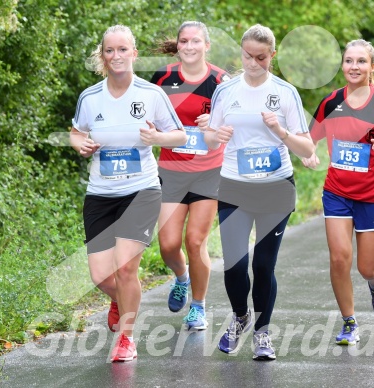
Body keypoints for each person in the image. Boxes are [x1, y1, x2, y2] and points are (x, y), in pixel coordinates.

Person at [69, 25, 186, 362]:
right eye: (110, 50)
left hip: (141, 191)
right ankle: (120, 300)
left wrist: (156, 139)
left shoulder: (150, 94)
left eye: (123, 50)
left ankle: (127, 339)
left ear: (134, 53)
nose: (116, 56)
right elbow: (76, 132)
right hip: (100, 194)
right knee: (100, 275)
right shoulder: (91, 97)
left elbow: (178, 136)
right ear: (102, 56)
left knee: (125, 270)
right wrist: (82, 145)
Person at [205, 24, 314, 361]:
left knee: (264, 266)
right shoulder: (225, 91)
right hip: (235, 185)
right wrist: (213, 134)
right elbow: (210, 140)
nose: (253, 63)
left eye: (261, 58)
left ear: (272, 56)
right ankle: (241, 317)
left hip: (275, 188)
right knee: (235, 266)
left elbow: (306, 145)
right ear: (241, 52)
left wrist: (279, 130)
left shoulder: (284, 93)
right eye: (247, 56)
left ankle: (263, 334)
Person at [302, 39, 374, 346]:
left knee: (366, 267)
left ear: (371, 67)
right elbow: (309, 139)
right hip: (337, 192)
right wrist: (308, 154)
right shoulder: (330, 102)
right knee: (339, 259)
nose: (354, 67)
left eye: (361, 62)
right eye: (349, 61)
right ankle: (349, 322)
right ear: (342, 65)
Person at [150, 21, 229, 331]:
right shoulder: (164, 77)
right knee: (168, 245)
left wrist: (216, 119)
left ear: (206, 46)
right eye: (185, 41)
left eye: (196, 41)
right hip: (171, 170)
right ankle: (181, 278)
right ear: (179, 45)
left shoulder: (221, 81)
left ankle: (198, 306)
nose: (190, 46)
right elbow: (148, 116)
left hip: (209, 172)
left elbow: (234, 124)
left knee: (195, 241)